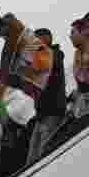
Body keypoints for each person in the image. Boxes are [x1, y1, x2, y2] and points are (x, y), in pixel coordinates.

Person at [26, 28, 67, 165]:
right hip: (41, 116)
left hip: (53, 112)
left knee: (44, 155)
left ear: (47, 39)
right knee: (31, 158)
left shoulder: (56, 55)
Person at [0, 13, 53, 105]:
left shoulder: (26, 39)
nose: (4, 38)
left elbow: (43, 63)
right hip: (26, 91)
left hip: (35, 91)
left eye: (4, 35)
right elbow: (5, 72)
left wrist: (22, 69)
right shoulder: (12, 44)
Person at [70, 19, 89, 118]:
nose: (70, 37)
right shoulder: (77, 54)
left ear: (84, 32)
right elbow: (80, 80)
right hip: (88, 95)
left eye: (73, 33)